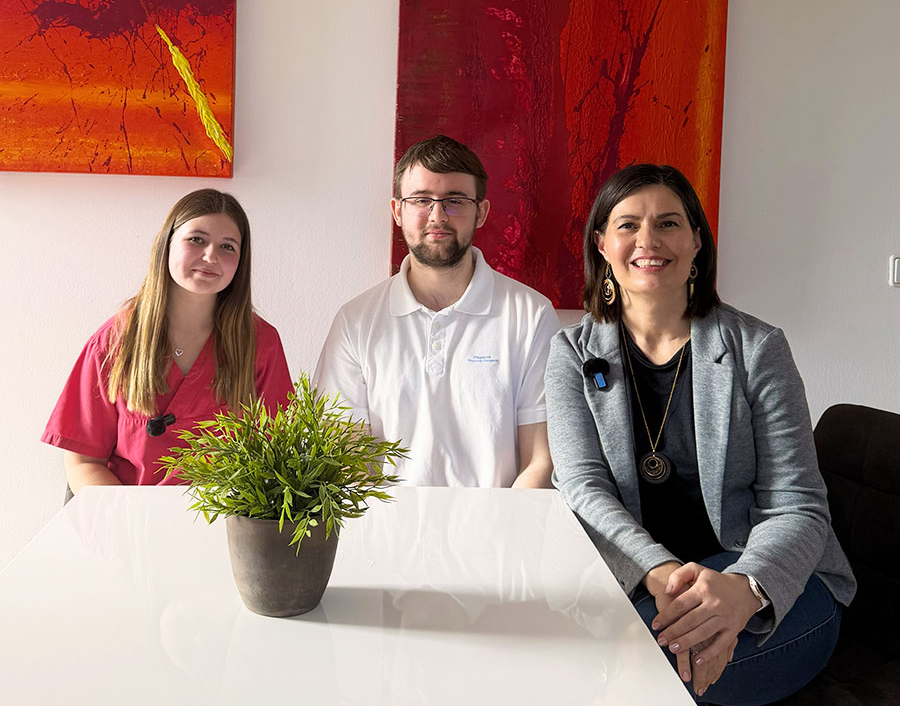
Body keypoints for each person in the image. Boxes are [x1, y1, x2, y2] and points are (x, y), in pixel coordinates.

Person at [544, 164, 855, 704]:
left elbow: (798, 505)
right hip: (649, 580)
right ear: (601, 244)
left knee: (648, 668)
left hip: (775, 580)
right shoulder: (572, 354)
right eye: (627, 225)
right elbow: (582, 488)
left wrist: (744, 589)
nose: (647, 240)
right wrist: (660, 572)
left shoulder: (757, 348)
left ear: (694, 243)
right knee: (595, 656)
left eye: (667, 224)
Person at [314, 135, 559, 487]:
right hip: (386, 537)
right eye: (421, 200)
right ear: (397, 211)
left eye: (454, 201)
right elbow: (345, 457)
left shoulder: (531, 316)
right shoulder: (356, 321)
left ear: (482, 211)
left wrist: (502, 537)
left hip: (498, 535)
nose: (438, 215)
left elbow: (540, 459)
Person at [42, 189, 293, 491]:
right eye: (196, 239)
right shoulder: (115, 340)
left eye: (228, 246)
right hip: (129, 521)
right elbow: (83, 463)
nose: (211, 256)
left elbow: (277, 456)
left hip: (222, 524)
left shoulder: (261, 343)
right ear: (167, 244)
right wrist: (131, 524)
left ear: (241, 262)